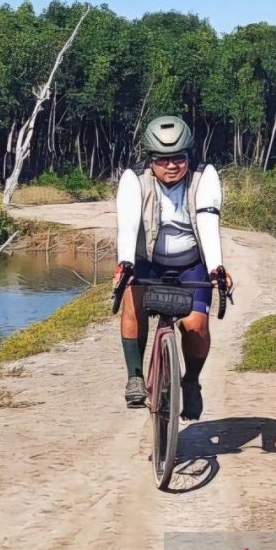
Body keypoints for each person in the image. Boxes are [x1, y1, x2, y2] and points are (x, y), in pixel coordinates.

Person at [113, 115, 232, 419]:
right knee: (132, 304)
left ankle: (190, 381)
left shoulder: (203, 177)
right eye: (163, 160)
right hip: (146, 263)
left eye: (179, 158)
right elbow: (127, 225)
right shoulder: (134, 179)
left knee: (195, 326)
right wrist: (124, 262)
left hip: (190, 264)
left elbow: (208, 220)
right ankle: (135, 376)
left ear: (188, 157)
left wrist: (217, 267)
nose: (172, 166)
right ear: (150, 160)